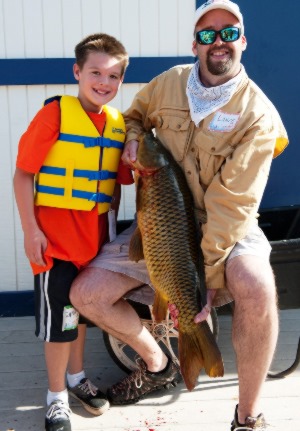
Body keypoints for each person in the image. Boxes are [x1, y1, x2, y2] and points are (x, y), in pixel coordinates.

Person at [70, 1, 288, 430]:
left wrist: (198, 283)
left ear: (243, 41)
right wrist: (133, 139)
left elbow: (234, 206)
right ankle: (158, 364)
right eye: (208, 34)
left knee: (259, 286)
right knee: (85, 294)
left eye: (229, 32)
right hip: (163, 220)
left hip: (223, 226)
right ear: (195, 43)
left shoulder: (259, 115)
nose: (218, 41)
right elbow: (134, 116)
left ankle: (248, 415)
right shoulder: (169, 83)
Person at [13, 33, 133, 431]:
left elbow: (123, 179)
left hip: (94, 243)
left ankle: (77, 379)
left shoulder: (118, 123)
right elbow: (23, 175)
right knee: (60, 322)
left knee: (79, 314)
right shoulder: (54, 115)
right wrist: (31, 231)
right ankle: (56, 397)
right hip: (56, 243)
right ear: (77, 72)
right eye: (96, 72)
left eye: (114, 76)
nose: (104, 82)